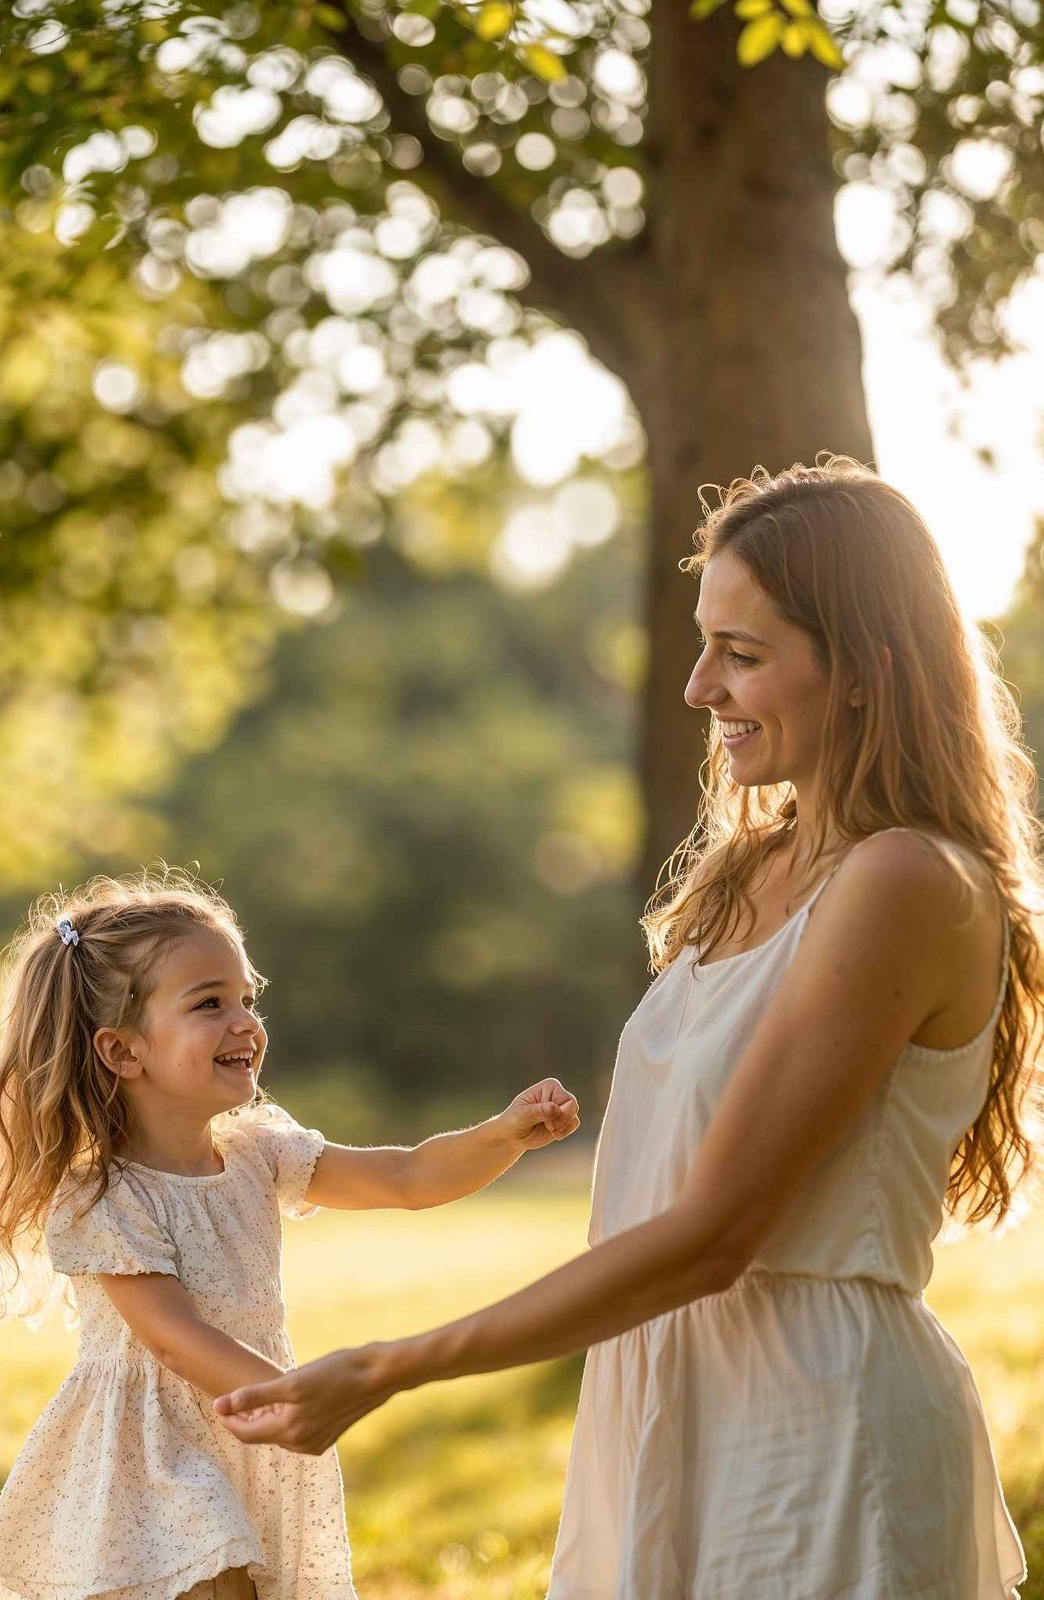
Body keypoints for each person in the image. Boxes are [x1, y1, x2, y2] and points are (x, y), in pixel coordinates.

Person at [214, 459, 1034, 1600]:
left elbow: (712, 1234)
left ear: (863, 671)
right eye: (703, 643)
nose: (698, 686)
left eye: (742, 655)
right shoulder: (745, 870)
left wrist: (395, 1365)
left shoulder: (902, 880)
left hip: (818, 1434)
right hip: (660, 1404)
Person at [0, 870, 580, 1600]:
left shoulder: (259, 1152)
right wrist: (294, 1394)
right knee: (216, 1579)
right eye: (209, 1004)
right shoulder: (106, 1197)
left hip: (252, 1429)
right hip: (153, 1452)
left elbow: (404, 1178)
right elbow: (173, 1338)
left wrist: (503, 1136)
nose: (245, 1022)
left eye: (247, 999)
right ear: (123, 1051)